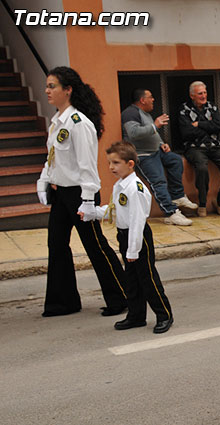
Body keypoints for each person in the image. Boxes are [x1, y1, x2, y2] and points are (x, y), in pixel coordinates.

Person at [36, 66, 128, 317]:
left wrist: (87, 202)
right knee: (56, 245)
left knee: (95, 246)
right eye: (47, 86)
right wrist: (45, 180)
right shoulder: (57, 122)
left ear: (68, 90)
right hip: (62, 194)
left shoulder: (79, 123)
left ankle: (122, 296)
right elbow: (53, 158)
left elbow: (87, 166)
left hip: (80, 194)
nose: (47, 90)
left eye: (52, 86)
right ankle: (63, 302)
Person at [80, 141, 173, 334]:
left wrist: (133, 249)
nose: (111, 167)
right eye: (109, 163)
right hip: (124, 235)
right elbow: (116, 211)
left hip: (137, 237)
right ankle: (136, 316)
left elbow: (138, 221)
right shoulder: (120, 185)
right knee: (131, 280)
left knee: (147, 278)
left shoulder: (135, 188)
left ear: (130, 164)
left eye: (116, 163)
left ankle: (164, 315)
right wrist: (93, 213)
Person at [121, 88, 196, 225]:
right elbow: (133, 133)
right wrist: (155, 126)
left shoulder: (145, 113)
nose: (153, 99)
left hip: (156, 151)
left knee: (175, 160)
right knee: (159, 182)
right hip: (143, 155)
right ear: (142, 100)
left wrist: (161, 143)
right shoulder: (130, 113)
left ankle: (177, 196)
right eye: (150, 97)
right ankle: (171, 213)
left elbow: (152, 132)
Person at [179, 81, 220, 216]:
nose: (203, 96)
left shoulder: (212, 107)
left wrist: (199, 124)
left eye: (205, 92)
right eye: (200, 93)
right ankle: (203, 203)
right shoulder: (184, 109)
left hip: (215, 146)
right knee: (202, 169)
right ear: (192, 95)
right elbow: (186, 133)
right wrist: (208, 128)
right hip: (194, 148)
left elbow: (218, 127)